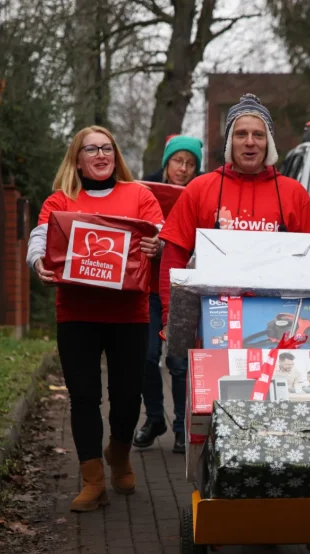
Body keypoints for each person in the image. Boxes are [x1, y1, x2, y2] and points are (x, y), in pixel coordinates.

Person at [158, 94, 310, 447]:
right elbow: (173, 256)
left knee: (275, 425)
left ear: (270, 143)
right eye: (241, 134)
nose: (250, 142)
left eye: (258, 135)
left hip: (279, 333)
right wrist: (172, 318)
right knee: (213, 424)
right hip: (215, 329)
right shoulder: (200, 189)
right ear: (229, 141)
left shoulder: (293, 194)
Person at [27, 126, 164, 513]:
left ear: (115, 156)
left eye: (107, 148)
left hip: (129, 315)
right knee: (84, 397)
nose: (101, 155)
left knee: (128, 397)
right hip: (77, 314)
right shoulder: (60, 200)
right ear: (77, 159)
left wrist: (157, 245)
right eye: (91, 149)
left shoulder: (140, 195)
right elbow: (40, 238)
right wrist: (37, 262)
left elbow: (160, 235)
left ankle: (118, 455)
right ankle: (93, 481)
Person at [134, 134, 204, 452]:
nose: (183, 168)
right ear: (166, 163)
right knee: (146, 357)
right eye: (178, 160)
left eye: (190, 163)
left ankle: (180, 427)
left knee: (178, 361)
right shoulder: (144, 191)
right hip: (149, 288)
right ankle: (154, 418)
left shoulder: (202, 193)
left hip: (186, 288)